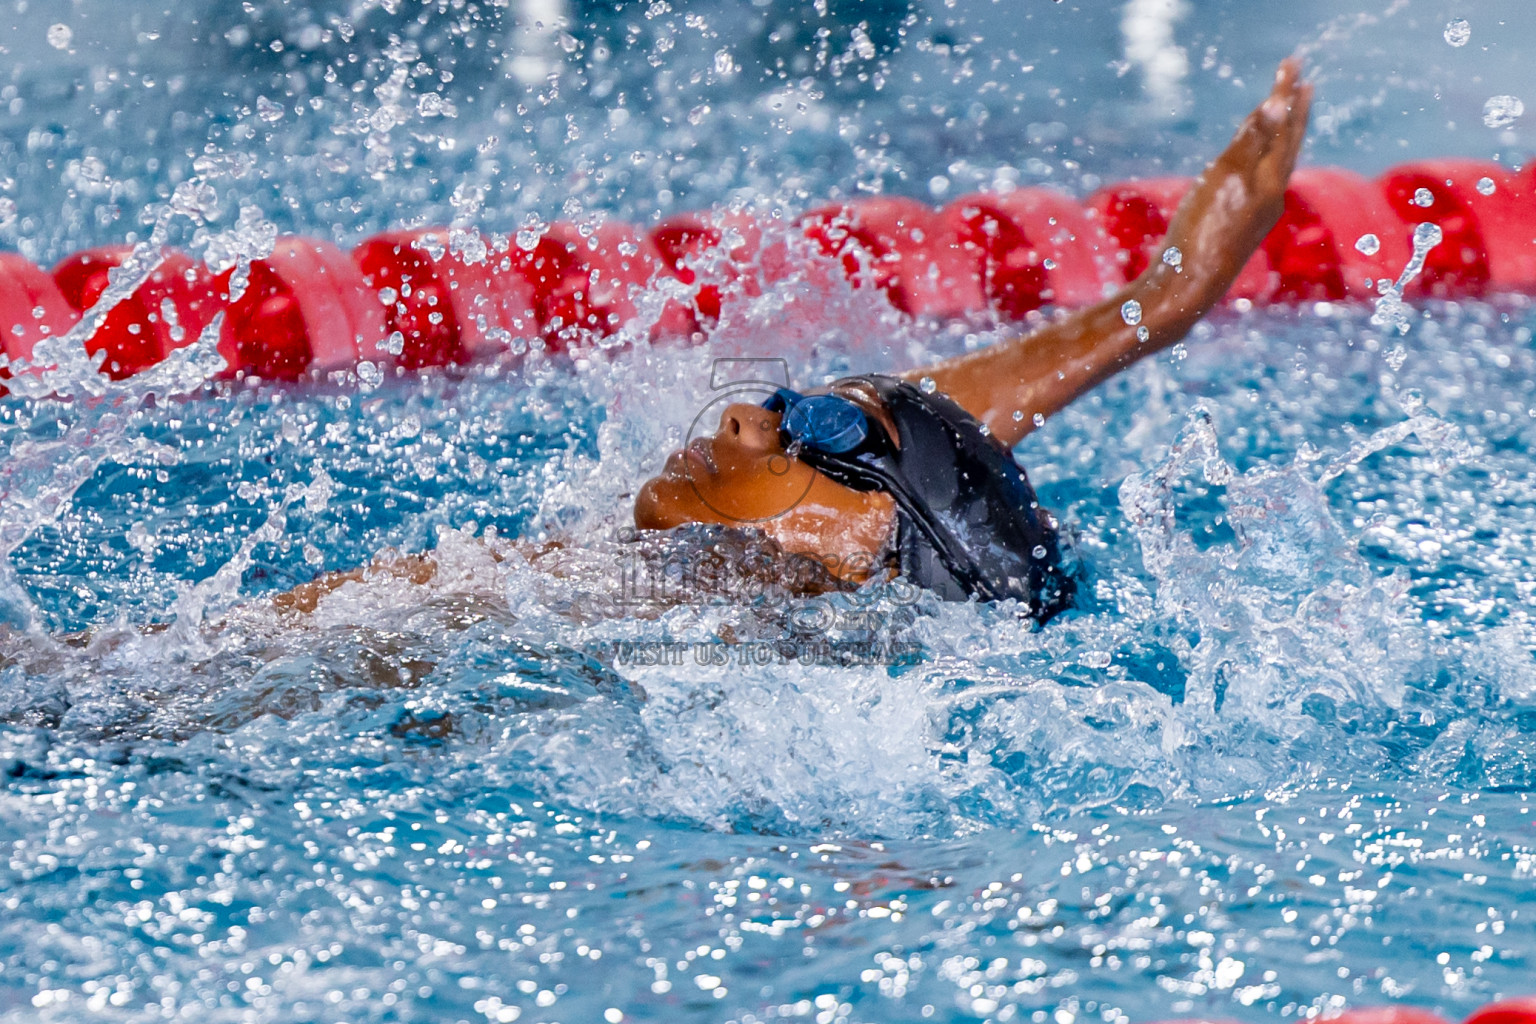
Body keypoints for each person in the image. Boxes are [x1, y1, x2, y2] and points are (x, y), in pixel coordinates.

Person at [278, 58, 1312, 621]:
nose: (746, 411)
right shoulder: (903, 485)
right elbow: (1152, 305)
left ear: (852, 536)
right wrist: (1200, 259)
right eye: (799, 396)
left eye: (811, 424)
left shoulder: (635, 613)